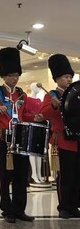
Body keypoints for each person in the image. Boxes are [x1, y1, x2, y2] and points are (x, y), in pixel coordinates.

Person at [0, 47, 43, 224]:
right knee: (5, 177)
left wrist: (36, 117)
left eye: (16, 75)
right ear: (4, 76)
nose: (14, 78)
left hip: (21, 139)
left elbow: (25, 115)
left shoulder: (21, 94)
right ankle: (7, 209)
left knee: (21, 176)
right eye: (11, 75)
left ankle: (20, 209)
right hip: (4, 140)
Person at [40, 54, 80, 219]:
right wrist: (54, 107)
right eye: (65, 76)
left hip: (76, 139)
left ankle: (74, 204)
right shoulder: (51, 95)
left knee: (77, 173)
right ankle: (63, 205)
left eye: (70, 76)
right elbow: (44, 114)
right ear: (57, 79)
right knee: (65, 175)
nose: (69, 79)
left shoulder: (76, 93)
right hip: (62, 140)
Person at [25, 83, 45, 184]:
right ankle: (34, 173)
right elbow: (25, 113)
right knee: (32, 151)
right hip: (31, 126)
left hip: (39, 126)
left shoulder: (40, 101)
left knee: (39, 151)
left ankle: (39, 174)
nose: (38, 89)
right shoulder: (27, 100)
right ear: (32, 87)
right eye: (36, 87)